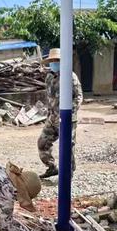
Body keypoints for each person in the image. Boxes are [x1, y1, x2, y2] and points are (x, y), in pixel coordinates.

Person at [38, 48, 83, 179]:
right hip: (52, 118)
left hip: (67, 118)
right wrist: (49, 114)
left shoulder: (70, 76)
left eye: (57, 61)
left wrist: (70, 112)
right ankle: (52, 168)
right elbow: (49, 97)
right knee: (42, 142)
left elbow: (79, 96)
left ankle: (68, 173)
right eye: (52, 61)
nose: (54, 63)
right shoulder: (49, 77)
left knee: (67, 146)